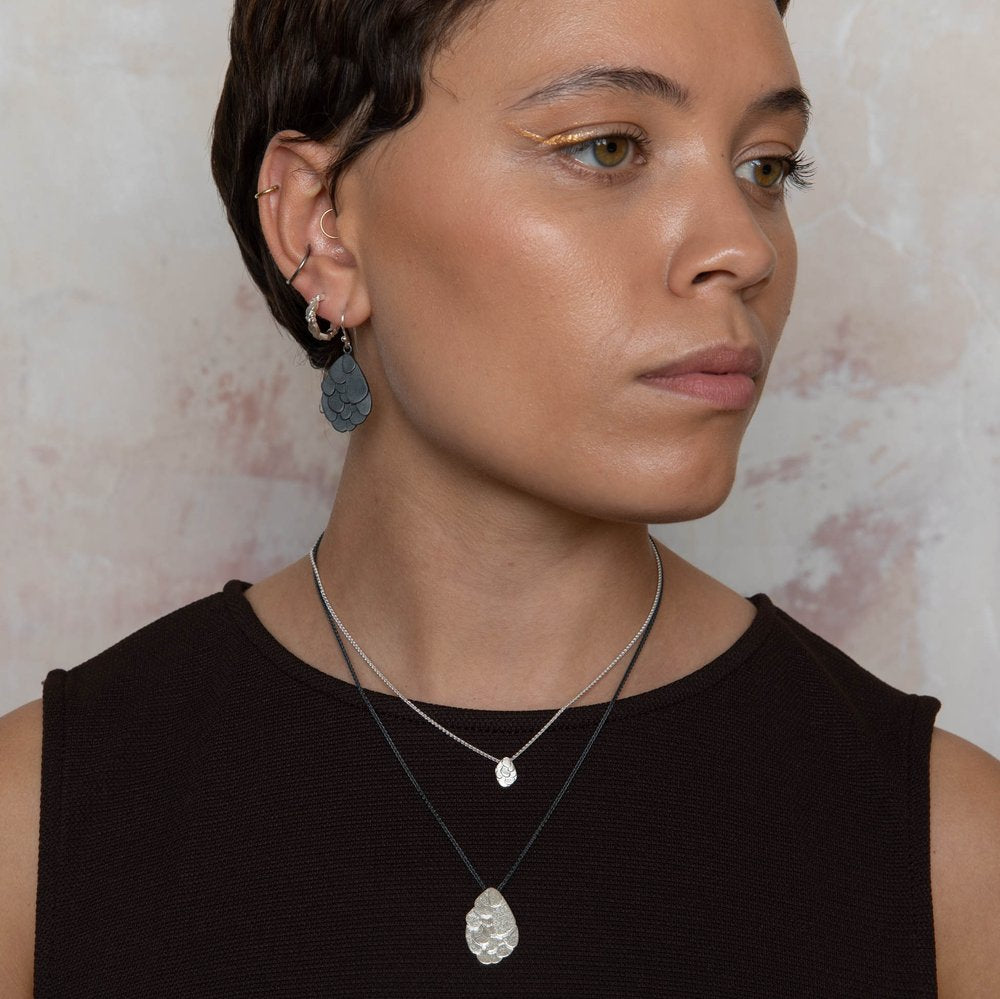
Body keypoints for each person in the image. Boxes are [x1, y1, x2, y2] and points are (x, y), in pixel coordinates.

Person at [2, 0, 999, 994]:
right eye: (607, 147)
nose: (744, 249)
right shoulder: (34, 834)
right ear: (321, 229)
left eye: (766, 166)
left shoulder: (948, 851)